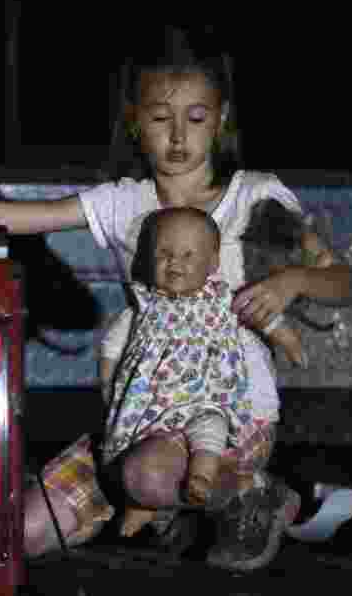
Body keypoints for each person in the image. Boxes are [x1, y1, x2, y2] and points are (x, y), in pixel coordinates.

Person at [0, 24, 352, 571]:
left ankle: (251, 492)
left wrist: (293, 282)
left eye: (195, 118)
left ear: (221, 119)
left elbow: (344, 281)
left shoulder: (256, 198)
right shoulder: (124, 204)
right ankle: (193, 508)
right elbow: (16, 216)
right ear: (135, 123)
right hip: (140, 415)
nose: (178, 138)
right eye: (160, 119)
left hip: (232, 414)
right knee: (19, 534)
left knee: (150, 477)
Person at [103, 207, 249, 537]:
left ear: (212, 263)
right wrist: (108, 381)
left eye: (188, 254)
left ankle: (202, 474)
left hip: (207, 394)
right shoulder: (145, 302)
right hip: (152, 402)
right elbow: (113, 345)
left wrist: (285, 336)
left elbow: (264, 316)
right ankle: (142, 504)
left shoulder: (223, 299)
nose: (175, 262)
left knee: (211, 426)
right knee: (137, 443)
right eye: (164, 254)